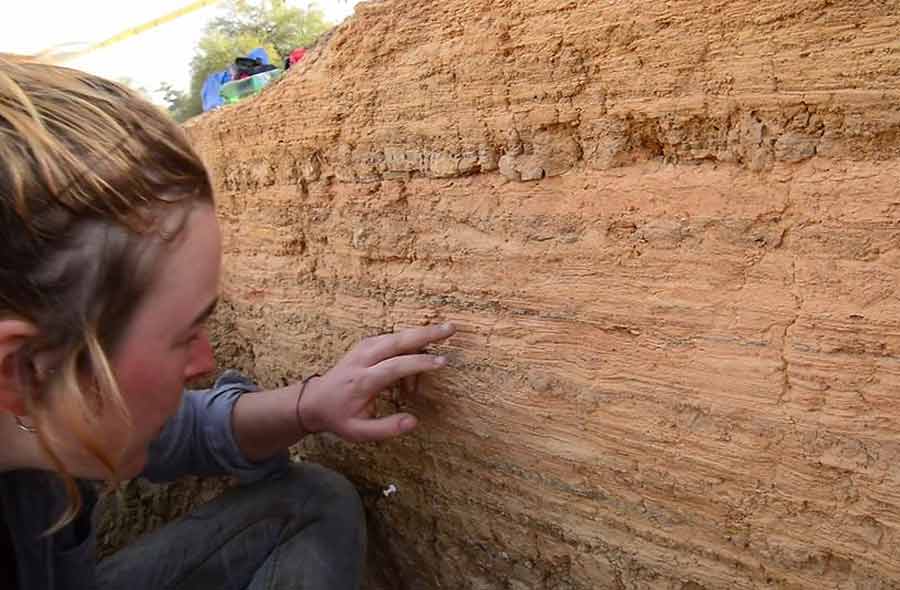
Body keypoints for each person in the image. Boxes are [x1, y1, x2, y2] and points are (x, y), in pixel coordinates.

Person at [0, 54, 456, 589]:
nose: (205, 363)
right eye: (183, 335)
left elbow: (177, 430)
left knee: (308, 503)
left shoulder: (38, 414)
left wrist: (310, 405)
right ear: (24, 370)